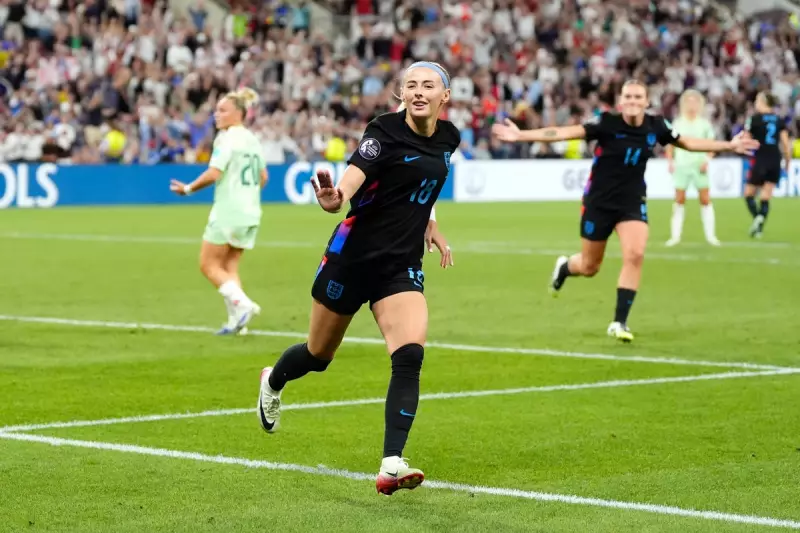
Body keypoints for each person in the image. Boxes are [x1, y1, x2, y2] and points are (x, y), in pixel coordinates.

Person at [256, 62, 457, 496]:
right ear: (400, 93)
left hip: (400, 266)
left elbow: (422, 184)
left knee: (409, 356)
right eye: (410, 85)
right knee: (317, 355)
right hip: (352, 258)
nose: (418, 91)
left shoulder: (449, 138)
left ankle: (391, 464)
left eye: (428, 85)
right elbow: (349, 184)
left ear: (445, 97)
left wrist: (431, 223)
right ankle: (273, 381)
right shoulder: (381, 132)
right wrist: (335, 198)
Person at [492, 80, 759, 342]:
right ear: (621, 101)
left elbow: (688, 143)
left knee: (635, 253)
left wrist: (729, 146)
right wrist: (522, 135)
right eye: (628, 97)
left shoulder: (656, 126)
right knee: (589, 266)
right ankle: (564, 268)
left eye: (637, 97)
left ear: (646, 102)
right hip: (599, 202)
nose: (632, 102)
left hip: (632, 202)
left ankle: (619, 322)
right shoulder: (607, 122)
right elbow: (564, 132)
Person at [170, 87, 267, 335]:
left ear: (239, 113)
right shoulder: (252, 139)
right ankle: (237, 322)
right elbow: (263, 177)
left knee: (208, 265)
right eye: (216, 110)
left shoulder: (227, 138)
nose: (217, 115)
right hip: (251, 211)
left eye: (222, 110)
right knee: (229, 267)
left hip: (229, 210)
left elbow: (215, 172)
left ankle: (243, 304)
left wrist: (189, 189)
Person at [664, 89, 721, 247]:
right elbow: (670, 144)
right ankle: (675, 237)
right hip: (681, 165)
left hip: (699, 165)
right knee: (679, 199)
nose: (692, 104)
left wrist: (707, 160)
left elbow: (711, 145)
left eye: (695, 101)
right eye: (688, 101)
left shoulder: (704, 124)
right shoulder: (678, 123)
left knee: (705, 199)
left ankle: (711, 236)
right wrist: (670, 161)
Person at [743, 92, 791, 239]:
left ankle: (758, 217)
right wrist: (787, 161)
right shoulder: (779, 120)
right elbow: (785, 144)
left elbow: (746, 139)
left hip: (760, 158)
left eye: (757, 100)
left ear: (763, 101)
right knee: (766, 194)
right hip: (775, 159)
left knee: (749, 194)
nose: (755, 103)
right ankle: (759, 228)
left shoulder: (754, 119)